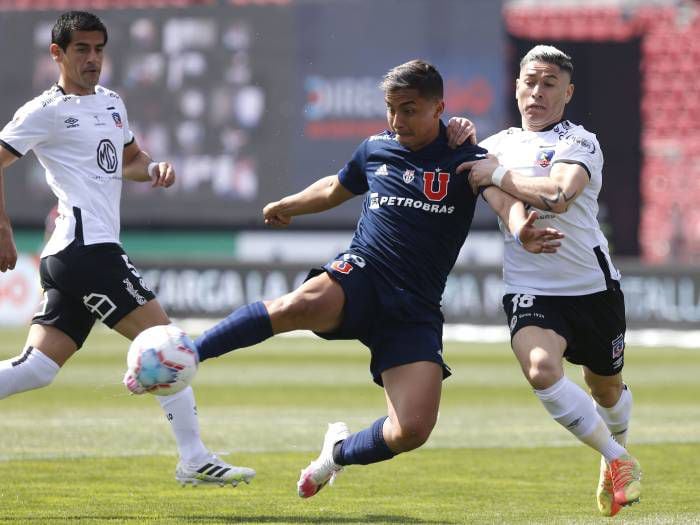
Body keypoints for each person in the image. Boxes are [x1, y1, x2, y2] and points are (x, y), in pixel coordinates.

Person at [190, 59, 563, 498]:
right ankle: (187, 354)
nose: (396, 120)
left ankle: (336, 454)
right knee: (299, 305)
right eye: (390, 108)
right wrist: (288, 204)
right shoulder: (375, 148)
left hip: (415, 306)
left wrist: (521, 229)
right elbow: (336, 187)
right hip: (364, 272)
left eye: (408, 109)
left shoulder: (468, 156)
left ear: (438, 107)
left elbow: (503, 201)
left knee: (412, 431)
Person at [0, 11, 254, 487]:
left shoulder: (112, 103)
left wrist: (153, 169)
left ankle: (191, 455)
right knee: (167, 341)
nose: (93, 58)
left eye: (98, 49)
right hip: (86, 251)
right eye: (81, 50)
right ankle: (194, 458)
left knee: (36, 368)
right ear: (57, 53)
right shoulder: (45, 111)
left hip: (78, 253)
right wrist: (4, 227)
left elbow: (130, 160)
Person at [456, 45, 641, 516]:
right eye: (529, 81)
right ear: (516, 85)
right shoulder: (493, 145)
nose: (536, 92)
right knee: (540, 369)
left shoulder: (580, 142)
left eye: (549, 83)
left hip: (593, 290)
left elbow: (558, 193)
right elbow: (504, 201)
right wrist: (519, 227)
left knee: (607, 392)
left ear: (568, 92)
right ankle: (618, 459)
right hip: (531, 289)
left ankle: (613, 445)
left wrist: (494, 172)